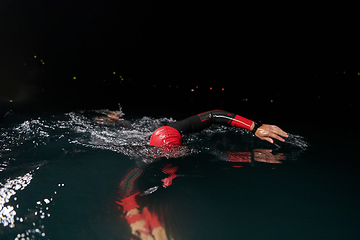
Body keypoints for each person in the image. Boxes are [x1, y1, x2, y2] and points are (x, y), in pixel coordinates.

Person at [117, 109, 288, 240]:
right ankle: (115, 118)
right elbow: (126, 185)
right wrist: (132, 213)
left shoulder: (179, 129)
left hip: (164, 130)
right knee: (125, 126)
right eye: (170, 154)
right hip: (139, 139)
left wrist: (254, 127)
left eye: (178, 150)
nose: (177, 154)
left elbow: (213, 115)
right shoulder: (146, 158)